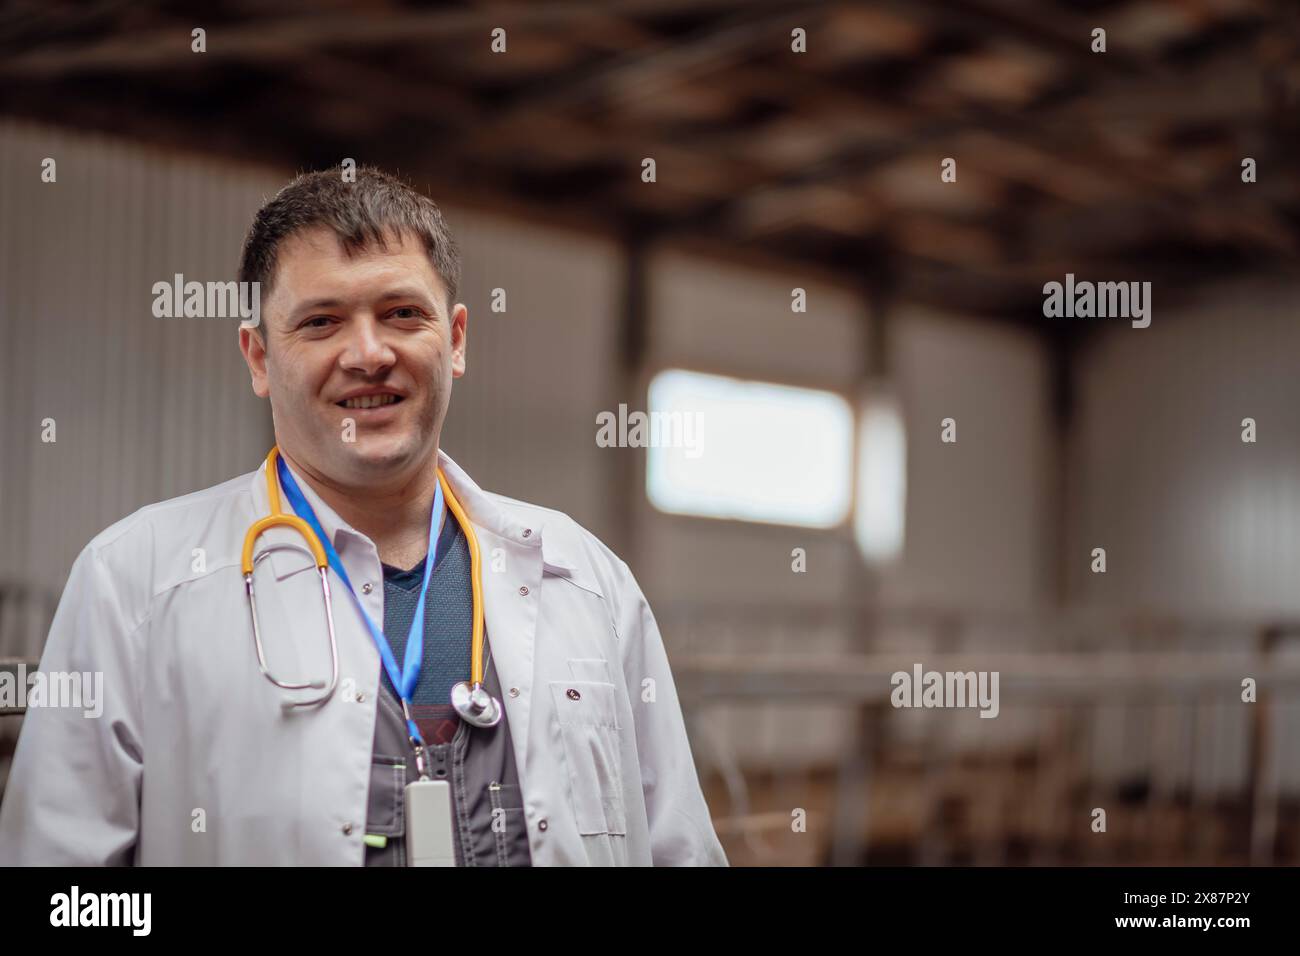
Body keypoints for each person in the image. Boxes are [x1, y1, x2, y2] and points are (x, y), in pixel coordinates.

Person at [0, 167, 727, 867]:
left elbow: (680, 850)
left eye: (402, 314)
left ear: (458, 339)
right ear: (258, 358)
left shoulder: (587, 581)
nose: (369, 353)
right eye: (320, 322)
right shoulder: (135, 583)